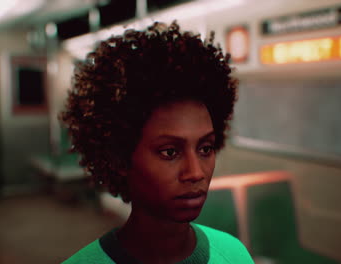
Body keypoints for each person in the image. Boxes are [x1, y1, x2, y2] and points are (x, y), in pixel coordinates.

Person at [60, 21, 254, 264]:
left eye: (205, 149)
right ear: (119, 157)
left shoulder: (234, 254)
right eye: (170, 152)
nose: (196, 173)